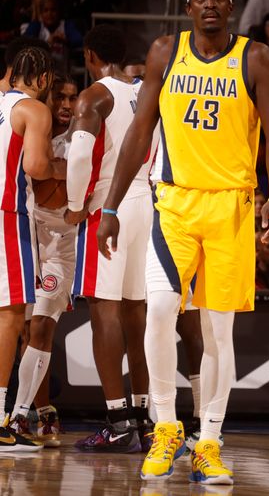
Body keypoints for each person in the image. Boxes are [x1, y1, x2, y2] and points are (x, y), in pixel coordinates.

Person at [95, 0, 269, 484]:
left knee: (216, 331)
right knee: (159, 311)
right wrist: (110, 207)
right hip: (175, 204)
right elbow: (141, 131)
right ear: (188, 8)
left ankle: (210, 440)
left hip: (231, 207)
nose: (209, 4)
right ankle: (165, 426)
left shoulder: (255, 57)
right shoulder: (164, 51)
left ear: (230, 8)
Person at [62, 24, 154, 453]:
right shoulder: (142, 91)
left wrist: (77, 203)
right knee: (138, 314)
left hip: (109, 206)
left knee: (105, 313)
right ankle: (144, 417)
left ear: (89, 55)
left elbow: (80, 155)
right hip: (147, 200)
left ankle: (118, 421)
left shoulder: (95, 96)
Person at [0, 46, 64, 452]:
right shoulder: (34, 110)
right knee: (11, 315)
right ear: (42, 80)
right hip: (8, 214)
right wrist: (66, 171)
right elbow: (36, 168)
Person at [8, 74, 78, 447]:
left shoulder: (84, 139)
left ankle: (20, 418)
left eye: (72, 97)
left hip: (61, 240)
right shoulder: (27, 131)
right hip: (25, 234)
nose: (66, 105)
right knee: (19, 328)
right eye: (60, 97)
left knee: (42, 329)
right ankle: (40, 409)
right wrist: (55, 172)